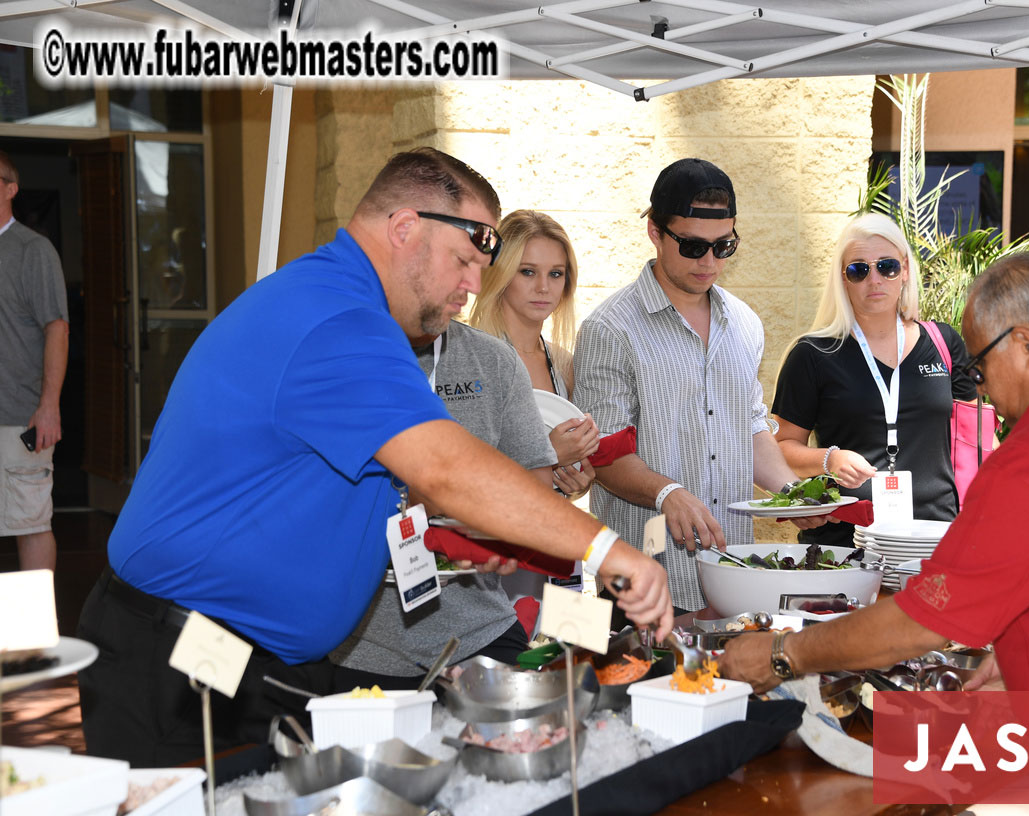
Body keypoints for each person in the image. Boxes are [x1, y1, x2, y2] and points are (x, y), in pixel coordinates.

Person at [77, 148, 673, 767]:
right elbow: (445, 466)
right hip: (179, 659)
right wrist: (608, 550)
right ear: (404, 228)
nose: (474, 285)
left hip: (250, 659)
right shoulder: (336, 319)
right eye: (465, 260)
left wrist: (467, 529)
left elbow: (384, 481)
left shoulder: (344, 307)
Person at [719, 252, 1029, 813]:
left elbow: (918, 623)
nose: (979, 392)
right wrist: (1028, 650)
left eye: (980, 369)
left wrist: (783, 654)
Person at [573, 158, 826, 613]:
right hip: (646, 578)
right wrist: (667, 492)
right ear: (654, 231)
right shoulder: (610, 329)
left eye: (723, 246)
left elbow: (750, 427)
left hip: (735, 574)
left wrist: (793, 493)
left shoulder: (745, 323)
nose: (709, 262)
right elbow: (604, 453)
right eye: (691, 246)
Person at [330, 317, 557, 689]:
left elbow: (536, 488)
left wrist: (469, 512)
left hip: (482, 633)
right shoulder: (336, 359)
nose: (463, 284)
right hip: (360, 646)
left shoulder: (493, 359)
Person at [772, 212, 979, 547]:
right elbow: (779, 449)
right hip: (844, 541)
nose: (875, 279)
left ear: (906, 270)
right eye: (859, 269)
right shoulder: (813, 354)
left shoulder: (944, 343)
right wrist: (830, 459)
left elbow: (981, 438)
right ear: (842, 279)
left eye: (887, 266)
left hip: (938, 538)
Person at [469, 209, 597, 497]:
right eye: (527, 271)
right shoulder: (469, 358)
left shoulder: (563, 363)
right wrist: (547, 455)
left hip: (548, 533)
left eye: (555, 274)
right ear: (500, 273)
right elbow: (453, 472)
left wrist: (576, 484)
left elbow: (564, 476)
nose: (543, 287)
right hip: (485, 536)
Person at [0, 149, 68, 572]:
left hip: (18, 418)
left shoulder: (32, 251)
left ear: (10, 188)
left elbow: (57, 329)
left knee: (30, 523)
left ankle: (33, 636)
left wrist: (48, 407)